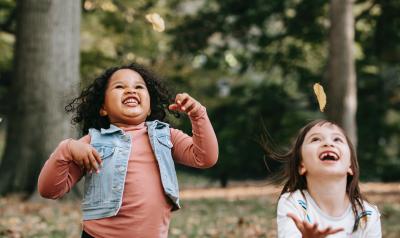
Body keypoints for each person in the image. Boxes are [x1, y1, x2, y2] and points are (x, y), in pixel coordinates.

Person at [38, 63, 218, 238]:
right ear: (103, 108)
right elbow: (49, 190)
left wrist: (198, 114)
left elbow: (204, 158)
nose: (131, 90)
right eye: (119, 86)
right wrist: (66, 148)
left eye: (139, 86)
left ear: (149, 108)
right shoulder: (92, 142)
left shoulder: (166, 136)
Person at [262, 119, 381, 238]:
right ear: (301, 165)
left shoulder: (368, 215)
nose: (328, 143)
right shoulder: (293, 203)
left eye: (337, 139)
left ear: (350, 166)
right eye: (315, 139)